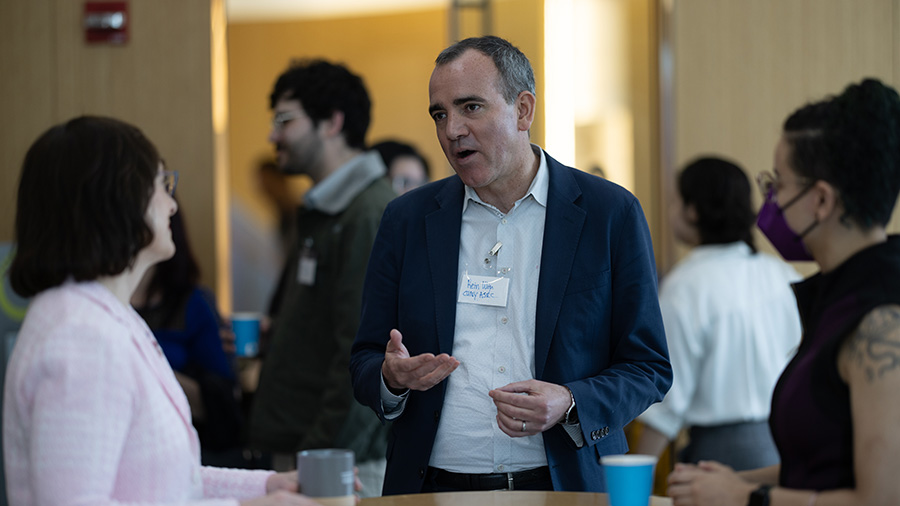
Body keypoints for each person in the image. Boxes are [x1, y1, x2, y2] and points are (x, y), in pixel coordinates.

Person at [349, 35, 671, 495]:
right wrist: (390, 379)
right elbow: (364, 359)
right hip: (432, 488)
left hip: (566, 485)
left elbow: (648, 366)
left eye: (471, 107)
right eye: (439, 114)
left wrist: (570, 401)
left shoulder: (609, 213)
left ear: (523, 110)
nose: (452, 130)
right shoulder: (406, 220)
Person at [3, 115, 318, 505]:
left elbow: (165, 479)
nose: (171, 205)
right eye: (161, 184)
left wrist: (264, 487)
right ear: (116, 202)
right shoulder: (81, 336)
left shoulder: (104, 314)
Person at [667, 78, 900, 506]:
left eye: (778, 184)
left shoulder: (881, 318)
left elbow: (881, 499)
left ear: (822, 201)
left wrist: (747, 496)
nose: (769, 201)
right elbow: (820, 461)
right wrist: (729, 481)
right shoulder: (836, 296)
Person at [247, 59, 395, 497]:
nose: (273, 136)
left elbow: (360, 351)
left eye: (285, 121)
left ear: (332, 122)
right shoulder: (325, 209)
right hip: (314, 451)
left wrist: (316, 460)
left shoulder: (365, 213)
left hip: (336, 462)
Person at [633, 157, 801, 471]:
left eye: (675, 201)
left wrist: (635, 475)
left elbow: (668, 397)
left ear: (693, 211)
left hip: (719, 459)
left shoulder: (686, 285)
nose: (670, 211)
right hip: (787, 452)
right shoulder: (783, 275)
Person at [132, 206, 244, 462]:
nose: (169, 204)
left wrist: (147, 369)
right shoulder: (100, 304)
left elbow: (224, 407)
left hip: (183, 453)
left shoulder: (192, 303)